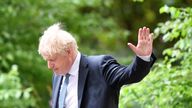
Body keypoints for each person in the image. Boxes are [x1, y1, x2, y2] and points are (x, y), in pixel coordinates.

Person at [38, 23, 156, 108]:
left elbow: (131, 75)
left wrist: (143, 58)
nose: (49, 66)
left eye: (52, 59)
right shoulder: (58, 75)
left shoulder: (100, 66)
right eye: (46, 60)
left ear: (68, 51)